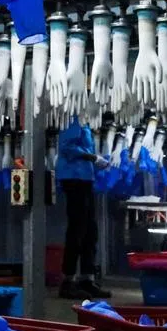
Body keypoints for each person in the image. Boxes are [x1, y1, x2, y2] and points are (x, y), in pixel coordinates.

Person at [56, 119, 111, 300]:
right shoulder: (72, 120)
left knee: (90, 231)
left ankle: (87, 279)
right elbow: (66, 148)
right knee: (77, 230)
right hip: (74, 179)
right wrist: (93, 158)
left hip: (86, 179)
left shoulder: (85, 123)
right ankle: (68, 281)